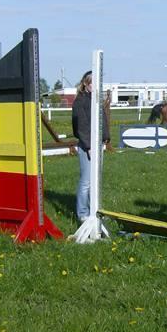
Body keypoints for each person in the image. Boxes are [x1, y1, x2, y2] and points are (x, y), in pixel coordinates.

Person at [72, 71, 93, 222]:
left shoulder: (95, 99)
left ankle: (94, 211)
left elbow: (102, 120)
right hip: (87, 146)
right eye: (93, 83)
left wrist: (106, 138)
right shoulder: (80, 101)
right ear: (86, 83)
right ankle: (83, 214)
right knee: (86, 181)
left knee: (94, 181)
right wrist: (88, 145)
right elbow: (81, 126)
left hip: (97, 144)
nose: (95, 86)